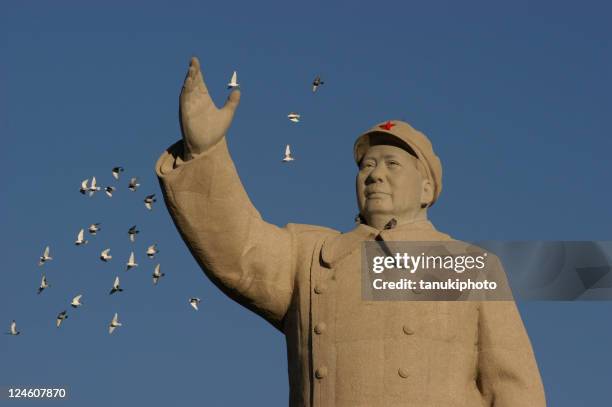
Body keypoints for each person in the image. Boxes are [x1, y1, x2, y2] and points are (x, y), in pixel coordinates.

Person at [156, 57, 546, 406]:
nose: (375, 174)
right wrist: (203, 152)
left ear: (426, 189)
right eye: (367, 165)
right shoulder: (311, 257)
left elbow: (515, 390)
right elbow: (237, 249)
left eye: (393, 164)